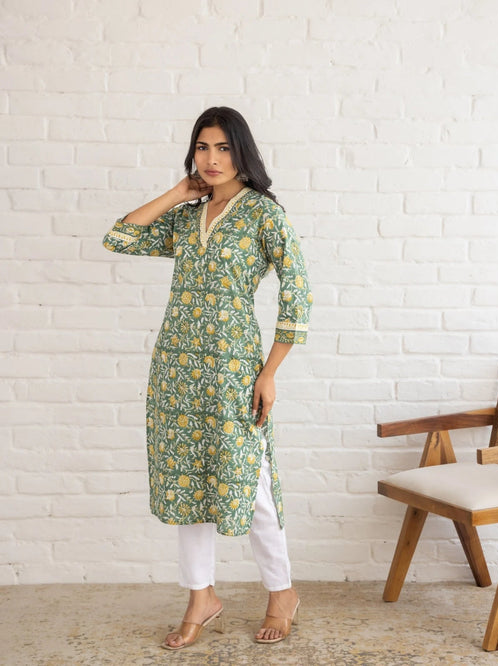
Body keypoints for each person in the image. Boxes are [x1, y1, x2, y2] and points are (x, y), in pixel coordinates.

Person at [102, 107, 312, 649]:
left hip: (234, 369)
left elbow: (298, 297)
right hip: (176, 369)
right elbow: (119, 237)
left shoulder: (264, 215)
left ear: (242, 151)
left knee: (251, 482)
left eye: (222, 148)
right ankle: (201, 596)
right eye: (202, 147)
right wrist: (179, 192)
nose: (212, 159)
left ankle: (282, 591)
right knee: (187, 482)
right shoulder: (186, 216)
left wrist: (269, 373)